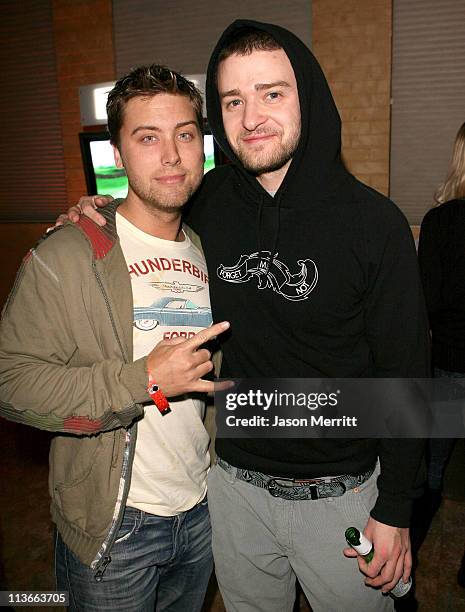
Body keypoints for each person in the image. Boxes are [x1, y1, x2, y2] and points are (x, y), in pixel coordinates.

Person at [65, 20, 429, 612]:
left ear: (307, 96)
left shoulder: (375, 225)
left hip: (342, 499)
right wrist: (97, 210)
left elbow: (408, 376)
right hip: (233, 494)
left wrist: (396, 509)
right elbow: (147, 210)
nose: (252, 116)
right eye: (233, 100)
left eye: (272, 93)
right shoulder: (205, 203)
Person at [0, 64, 230, 612]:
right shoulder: (68, 255)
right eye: (147, 137)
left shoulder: (207, 249)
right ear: (118, 154)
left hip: (200, 512)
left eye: (185, 134)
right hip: (117, 525)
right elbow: (12, 383)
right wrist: (144, 380)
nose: (171, 155)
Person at [417, 120, 465, 580]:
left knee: (428, 473)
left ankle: (402, 573)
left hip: (449, 366)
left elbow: (425, 302)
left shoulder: (440, 222)